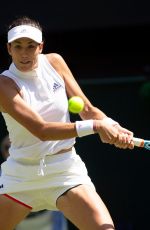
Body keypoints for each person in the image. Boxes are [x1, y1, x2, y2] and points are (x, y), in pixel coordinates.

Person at [0, 16, 134, 230]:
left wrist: (112, 126)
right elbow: (41, 130)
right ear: (9, 48)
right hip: (21, 175)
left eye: (31, 46)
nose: (24, 53)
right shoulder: (4, 84)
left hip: (65, 171)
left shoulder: (55, 62)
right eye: (18, 46)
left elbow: (88, 111)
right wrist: (97, 127)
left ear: (41, 46)